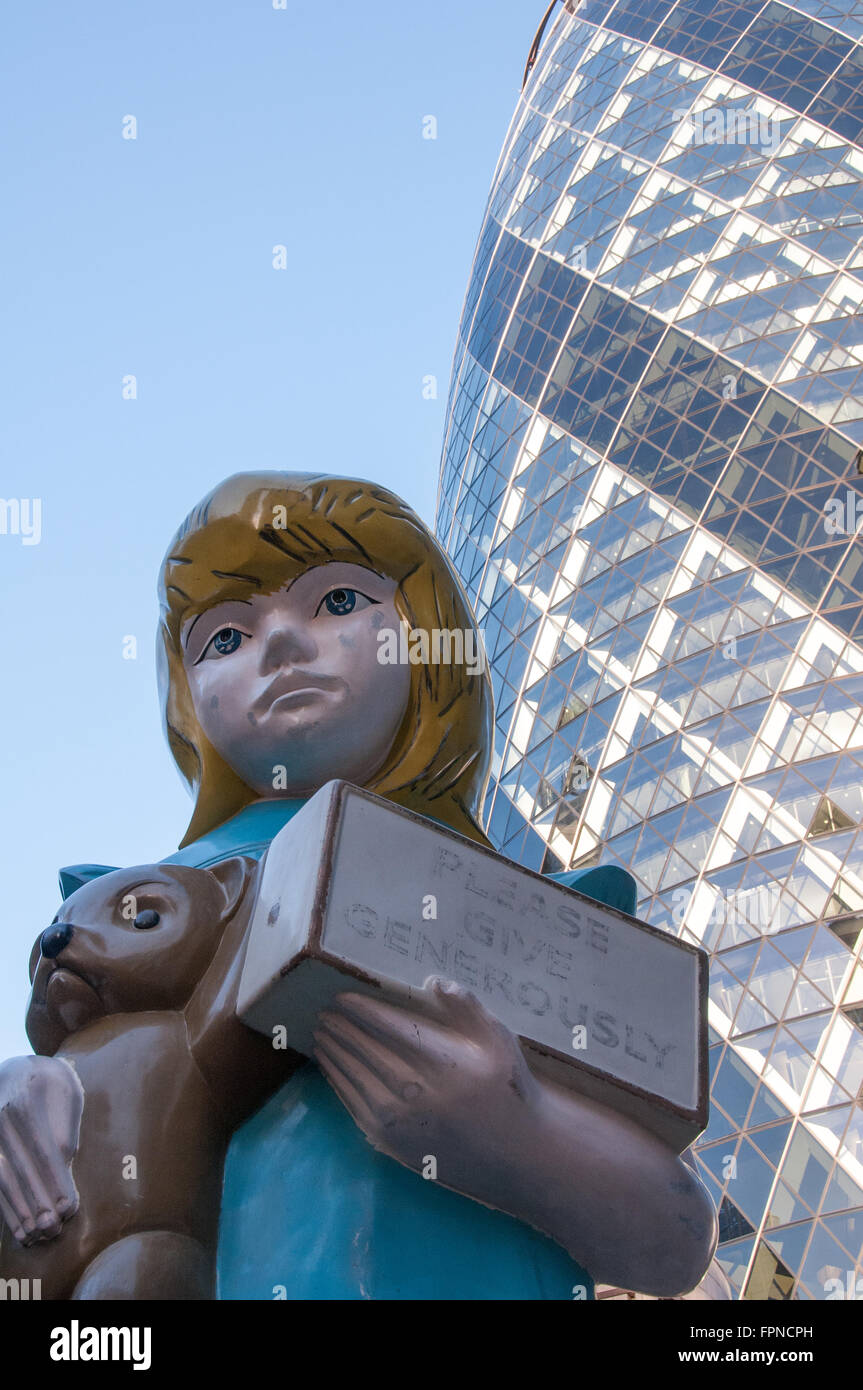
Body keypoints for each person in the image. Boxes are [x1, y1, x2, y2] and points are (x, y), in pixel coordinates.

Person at [0, 471, 718, 1300]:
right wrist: (27, 1086)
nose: (278, 646)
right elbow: (81, 1075)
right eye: (224, 638)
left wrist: (514, 1132)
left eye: (337, 603)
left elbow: (673, 1242)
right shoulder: (140, 902)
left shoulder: (544, 912)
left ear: (425, 632)